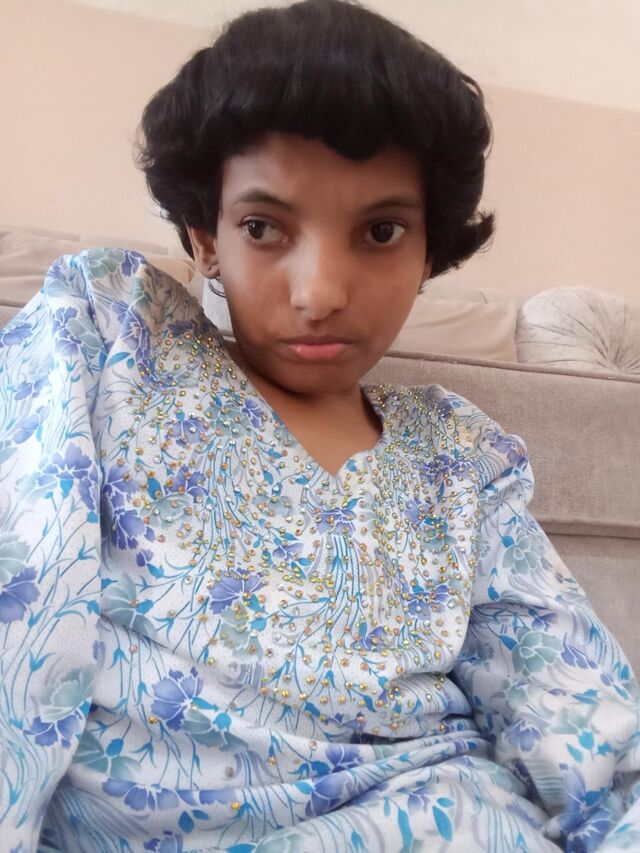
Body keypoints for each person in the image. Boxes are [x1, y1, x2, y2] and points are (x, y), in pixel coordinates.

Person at [0, 1, 638, 850]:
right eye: (264, 227)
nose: (320, 292)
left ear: (429, 250)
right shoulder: (110, 336)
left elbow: (587, 726)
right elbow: (20, 593)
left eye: (381, 231)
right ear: (206, 237)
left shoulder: (463, 456)